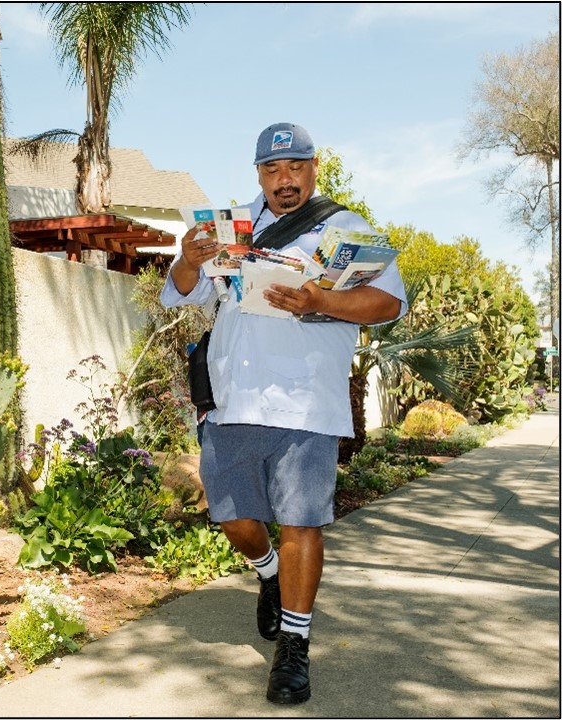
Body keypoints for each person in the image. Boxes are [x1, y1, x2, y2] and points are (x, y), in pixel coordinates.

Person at [160, 122, 407, 705]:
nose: (284, 179)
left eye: (294, 167)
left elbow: (387, 302)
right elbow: (183, 291)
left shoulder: (345, 228)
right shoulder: (229, 228)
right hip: (233, 398)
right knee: (232, 519)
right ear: (259, 175)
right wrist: (187, 259)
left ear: (313, 167)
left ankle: (293, 649)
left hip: (308, 401)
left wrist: (320, 299)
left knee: (302, 523)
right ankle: (268, 573)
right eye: (272, 170)